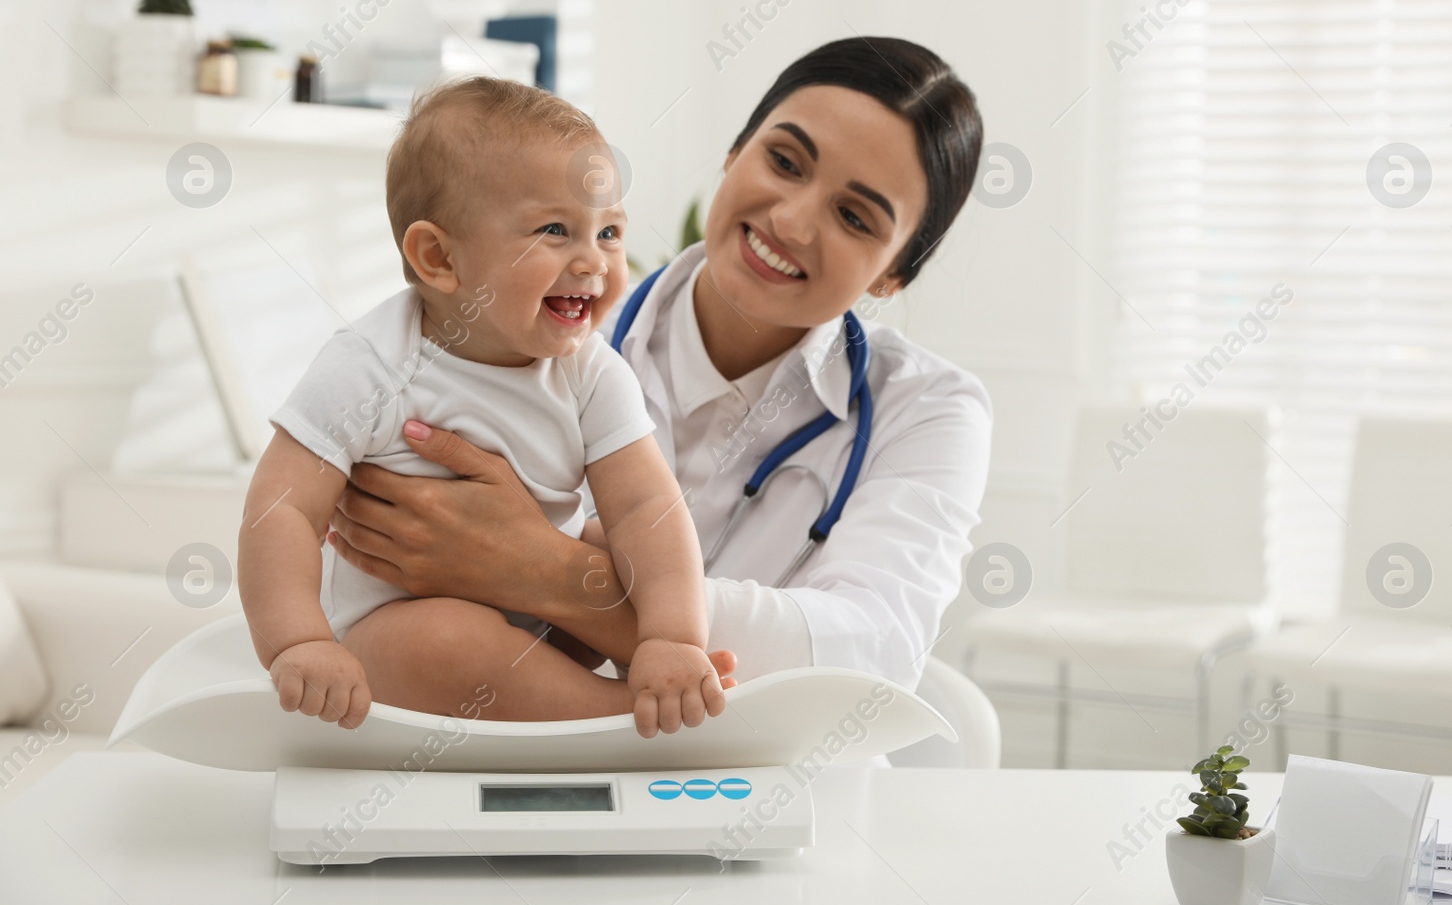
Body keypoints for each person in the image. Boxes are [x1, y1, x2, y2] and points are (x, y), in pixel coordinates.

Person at [328, 36, 992, 697]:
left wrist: (543, 571)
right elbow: (388, 564)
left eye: (853, 216)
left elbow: (872, 660)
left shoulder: (929, 410)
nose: (791, 221)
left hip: (797, 791)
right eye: (784, 162)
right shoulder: (515, 338)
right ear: (735, 152)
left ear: (893, 276)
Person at [237, 77, 731, 737]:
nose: (594, 260)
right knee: (445, 639)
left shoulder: (588, 372)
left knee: (620, 544)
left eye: (609, 231)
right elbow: (282, 507)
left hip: (549, 622)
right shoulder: (371, 365)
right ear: (439, 258)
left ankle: (632, 683)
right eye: (556, 229)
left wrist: (673, 636)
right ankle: (616, 718)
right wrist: (298, 642)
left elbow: (648, 505)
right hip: (402, 638)